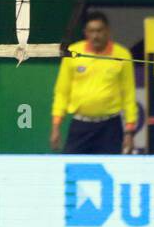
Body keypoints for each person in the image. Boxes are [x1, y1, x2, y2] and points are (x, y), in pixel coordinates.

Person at [52, 10, 137, 155]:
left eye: (99, 30)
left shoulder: (122, 55)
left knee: (112, 168)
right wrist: (56, 126)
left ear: (108, 31)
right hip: (80, 125)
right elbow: (62, 92)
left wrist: (129, 131)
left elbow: (128, 94)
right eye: (91, 31)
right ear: (85, 32)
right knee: (72, 169)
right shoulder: (72, 52)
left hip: (110, 126)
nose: (95, 35)